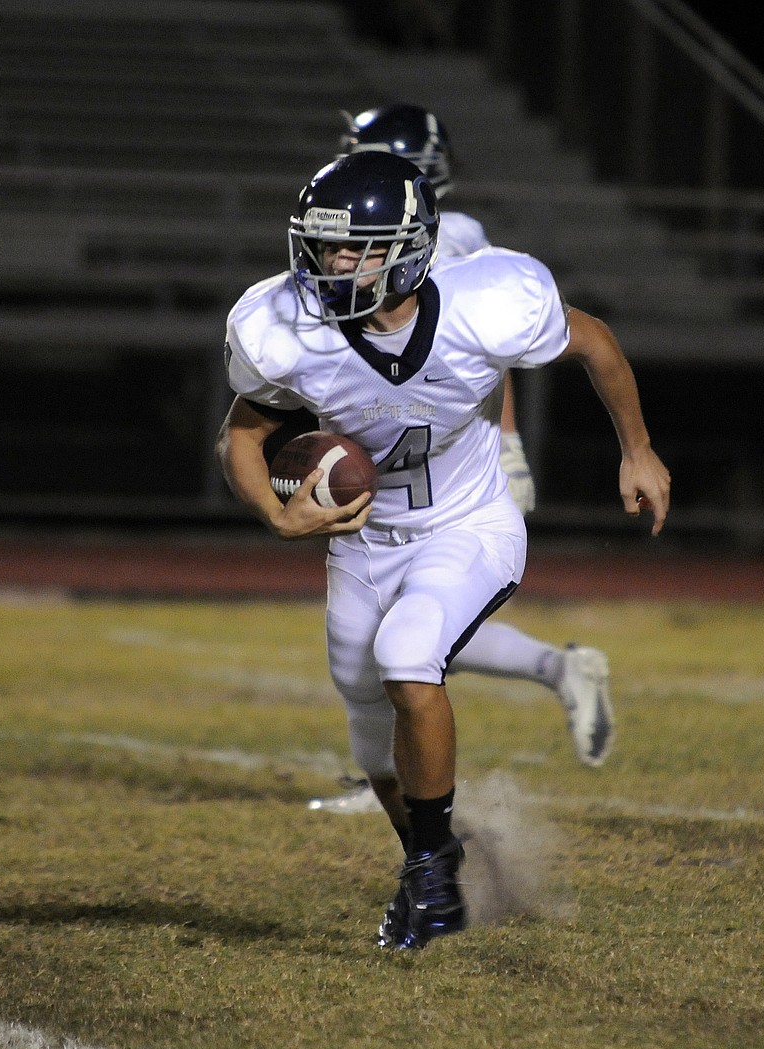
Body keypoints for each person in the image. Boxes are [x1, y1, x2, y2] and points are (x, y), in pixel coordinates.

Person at [216, 151, 670, 949]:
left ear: (413, 248)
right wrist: (275, 516)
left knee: (409, 654)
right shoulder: (287, 330)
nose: (333, 266)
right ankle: (435, 862)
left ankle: (432, 885)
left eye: (356, 249)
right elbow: (242, 435)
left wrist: (637, 448)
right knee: (368, 732)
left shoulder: (485, 304)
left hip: (469, 525)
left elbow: (593, 340)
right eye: (323, 247)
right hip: (364, 545)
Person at [307, 103, 614, 816]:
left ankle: (415, 773)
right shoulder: (364, 236)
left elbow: (468, 350)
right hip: (392, 453)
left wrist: (506, 442)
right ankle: (556, 669)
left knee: (412, 627)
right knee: (402, 629)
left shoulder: (453, 237)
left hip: (448, 461)